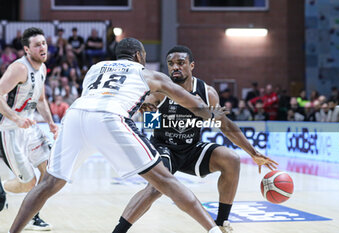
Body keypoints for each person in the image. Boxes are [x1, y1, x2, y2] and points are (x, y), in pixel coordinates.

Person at [9, 38, 230, 233]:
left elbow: (109, 96)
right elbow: (197, 106)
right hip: (111, 118)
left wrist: (144, 108)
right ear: (138, 56)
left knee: (48, 183)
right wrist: (217, 117)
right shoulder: (148, 74)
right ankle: (213, 229)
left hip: (76, 115)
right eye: (143, 56)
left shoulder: (96, 68)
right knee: (166, 181)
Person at [112, 45, 278, 233]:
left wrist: (253, 152)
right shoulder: (160, 91)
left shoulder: (207, 93)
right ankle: (119, 230)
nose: (175, 67)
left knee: (231, 159)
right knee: (155, 188)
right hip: (164, 147)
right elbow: (146, 117)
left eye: (180, 63)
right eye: (171, 64)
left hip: (191, 148)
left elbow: (226, 126)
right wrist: (145, 108)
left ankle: (222, 223)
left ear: (192, 65)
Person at [0, 27, 58, 230]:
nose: (43, 47)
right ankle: (2, 186)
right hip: (10, 129)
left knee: (49, 172)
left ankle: (34, 216)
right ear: (27, 49)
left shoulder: (42, 68)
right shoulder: (19, 68)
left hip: (30, 126)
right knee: (27, 184)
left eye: (44, 43)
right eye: (37, 44)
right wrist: (16, 118)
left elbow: (40, 99)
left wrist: (50, 122)